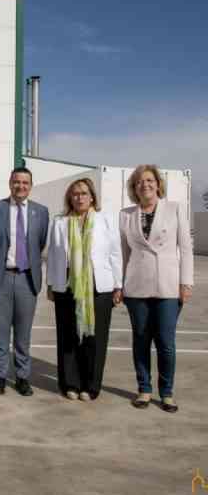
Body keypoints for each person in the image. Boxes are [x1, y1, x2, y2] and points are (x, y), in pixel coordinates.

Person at [119, 164, 193, 413]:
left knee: (166, 342)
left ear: (158, 184)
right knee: (140, 339)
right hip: (136, 286)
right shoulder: (126, 214)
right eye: (140, 182)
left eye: (150, 180)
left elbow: (186, 248)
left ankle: (167, 392)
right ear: (134, 187)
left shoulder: (174, 210)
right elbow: (123, 253)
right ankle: (144, 389)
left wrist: (186, 282)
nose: (145, 185)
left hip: (168, 287)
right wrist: (120, 285)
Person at [46, 178, 122, 401]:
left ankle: (90, 386)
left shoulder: (105, 220)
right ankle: (70, 383)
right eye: (75, 193)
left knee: (95, 339)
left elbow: (116, 254)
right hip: (67, 286)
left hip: (99, 287)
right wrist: (51, 283)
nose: (79, 197)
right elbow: (52, 255)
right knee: (68, 336)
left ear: (92, 197)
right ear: (70, 197)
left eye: (84, 193)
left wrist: (118, 284)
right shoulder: (59, 222)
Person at [0, 167, 49, 396]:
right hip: (1, 277)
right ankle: (0, 376)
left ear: (30, 186)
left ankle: (22, 377)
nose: (20, 186)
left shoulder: (41, 212)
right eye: (16, 182)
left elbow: (39, 243)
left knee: (23, 333)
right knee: (1, 332)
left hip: (26, 278)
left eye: (25, 182)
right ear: (9, 183)